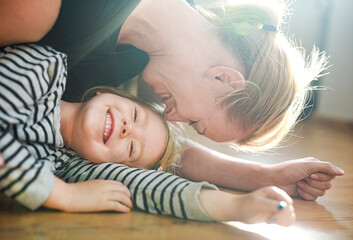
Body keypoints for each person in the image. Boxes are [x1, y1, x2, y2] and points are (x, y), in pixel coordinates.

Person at [0, 0, 344, 201]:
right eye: (196, 123)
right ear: (224, 78)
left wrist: (263, 177)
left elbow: (163, 150)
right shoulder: (41, 10)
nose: (173, 118)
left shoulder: (131, 61)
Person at [0, 44, 297, 226]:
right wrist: (61, 194)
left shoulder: (61, 166)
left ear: (106, 168)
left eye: (131, 150)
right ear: (108, 92)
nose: (127, 130)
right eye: (136, 116)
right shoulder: (44, 68)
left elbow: (147, 187)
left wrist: (235, 206)